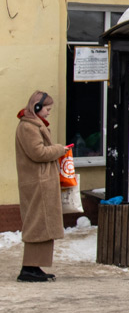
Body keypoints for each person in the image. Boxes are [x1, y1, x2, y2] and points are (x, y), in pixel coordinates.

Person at [15, 91, 71, 282]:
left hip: (41, 181)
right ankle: (28, 269)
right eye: (47, 109)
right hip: (37, 182)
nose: (48, 112)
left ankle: (34, 266)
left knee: (44, 226)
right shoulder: (28, 127)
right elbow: (37, 153)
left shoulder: (33, 124)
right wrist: (59, 149)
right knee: (38, 225)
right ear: (36, 107)